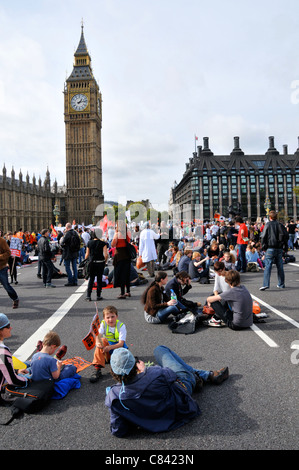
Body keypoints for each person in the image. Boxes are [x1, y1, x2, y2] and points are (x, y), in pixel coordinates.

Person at [105, 345, 229, 437]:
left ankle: (203, 375)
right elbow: (171, 375)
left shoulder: (114, 395)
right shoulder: (154, 373)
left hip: (154, 422)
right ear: (135, 365)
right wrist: (145, 371)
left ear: (113, 372)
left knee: (182, 369)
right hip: (181, 396)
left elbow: (119, 430)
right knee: (161, 350)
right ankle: (204, 375)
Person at [90, 305, 128, 383]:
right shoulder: (103, 324)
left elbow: (121, 343)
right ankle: (97, 369)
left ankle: (115, 364)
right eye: (108, 317)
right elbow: (98, 335)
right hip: (108, 350)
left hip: (118, 348)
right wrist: (97, 342)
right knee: (102, 340)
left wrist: (110, 348)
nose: (110, 319)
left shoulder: (121, 326)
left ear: (116, 316)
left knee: (122, 366)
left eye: (112, 316)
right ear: (104, 318)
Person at [0, 313, 28, 405]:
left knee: (27, 365)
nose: (11, 328)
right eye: (7, 326)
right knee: (32, 370)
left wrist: (16, 371)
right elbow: (13, 381)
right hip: (2, 392)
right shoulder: (2, 352)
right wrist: (29, 380)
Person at [259, 210, 287, 290]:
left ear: (270, 217)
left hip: (270, 247)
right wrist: (284, 246)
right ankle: (281, 284)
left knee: (268, 266)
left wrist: (264, 247)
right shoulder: (280, 225)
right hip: (279, 247)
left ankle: (266, 284)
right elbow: (285, 235)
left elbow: (263, 236)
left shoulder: (268, 225)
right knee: (280, 266)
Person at [85, 227, 108, 301]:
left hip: (92, 263)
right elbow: (106, 254)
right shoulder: (103, 243)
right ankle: (98, 295)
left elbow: (87, 254)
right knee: (99, 279)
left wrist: (86, 261)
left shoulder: (89, 243)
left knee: (91, 279)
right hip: (100, 262)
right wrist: (105, 261)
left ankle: (88, 296)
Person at [111, 220, 131, 299]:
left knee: (120, 274)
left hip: (120, 255)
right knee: (127, 274)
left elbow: (113, 244)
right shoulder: (127, 233)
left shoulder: (117, 234)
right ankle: (128, 291)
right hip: (127, 254)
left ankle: (122, 293)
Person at [0, 234, 19, 309]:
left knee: (6, 286)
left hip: (1, 268)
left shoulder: (2, 241)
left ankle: (15, 299)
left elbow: (8, 252)